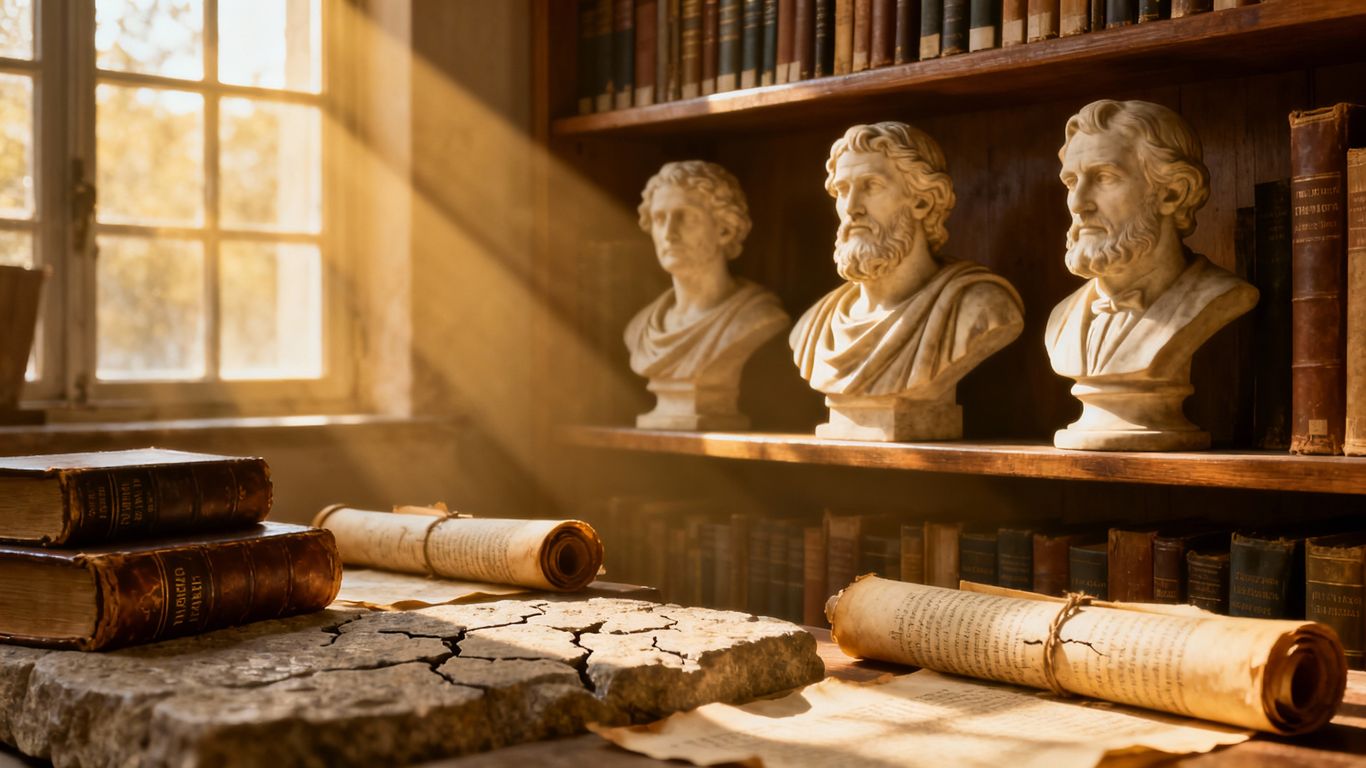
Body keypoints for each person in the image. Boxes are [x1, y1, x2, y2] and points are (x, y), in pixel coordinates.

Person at [1045, 99, 1258, 450]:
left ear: (1174, 192)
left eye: (1104, 177)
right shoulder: (1060, 320)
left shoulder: (1220, 296)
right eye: (1071, 182)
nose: (1078, 203)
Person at [790, 122, 1023, 440]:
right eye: (842, 190)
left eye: (871, 186)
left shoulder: (982, 307)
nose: (852, 208)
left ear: (923, 201)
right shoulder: (813, 327)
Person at [624, 160, 788, 429]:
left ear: (725, 229)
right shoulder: (639, 329)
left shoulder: (757, 317)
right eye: (659, 218)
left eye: (686, 217)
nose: (669, 234)